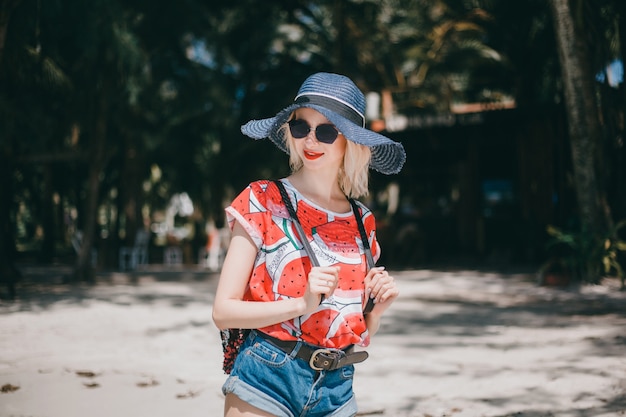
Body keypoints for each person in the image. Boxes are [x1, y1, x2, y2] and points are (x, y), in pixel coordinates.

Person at [212, 72, 406, 417]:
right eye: (301, 127)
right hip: (267, 378)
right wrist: (300, 304)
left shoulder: (363, 221)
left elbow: (355, 328)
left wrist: (377, 310)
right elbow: (223, 311)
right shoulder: (261, 199)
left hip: (338, 389)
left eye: (327, 131)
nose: (311, 141)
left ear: (350, 141)